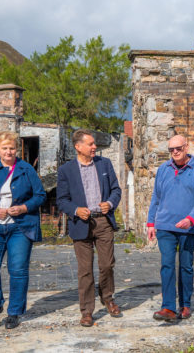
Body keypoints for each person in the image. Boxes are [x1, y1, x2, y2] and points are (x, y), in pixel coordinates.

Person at [0, 131, 46, 329]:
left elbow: (40, 195)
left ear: (16, 149)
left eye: (12, 148)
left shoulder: (26, 169)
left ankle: (14, 312)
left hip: (19, 227)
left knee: (18, 270)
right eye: (4, 148)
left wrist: (23, 208)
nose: (8, 151)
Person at [56, 129, 122, 327]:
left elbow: (116, 190)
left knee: (107, 264)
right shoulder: (66, 170)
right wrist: (76, 210)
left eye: (94, 144)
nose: (95, 147)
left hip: (103, 221)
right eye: (91, 144)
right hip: (80, 223)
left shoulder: (105, 164)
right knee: (85, 270)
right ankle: (86, 311)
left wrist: (109, 204)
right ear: (78, 147)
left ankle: (108, 298)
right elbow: (62, 200)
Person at [147, 135, 194, 322]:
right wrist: (151, 223)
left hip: (188, 227)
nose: (175, 152)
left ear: (186, 147)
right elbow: (156, 197)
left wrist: (191, 219)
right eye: (171, 149)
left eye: (178, 148)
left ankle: (185, 304)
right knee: (167, 265)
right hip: (165, 225)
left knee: (186, 266)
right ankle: (168, 307)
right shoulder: (163, 169)